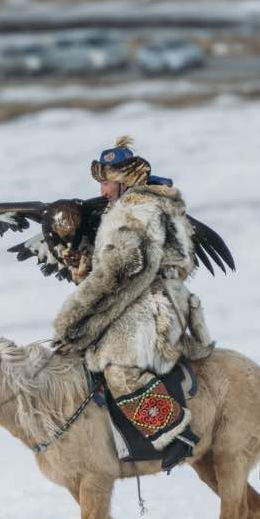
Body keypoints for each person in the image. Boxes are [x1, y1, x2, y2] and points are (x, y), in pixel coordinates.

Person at [53, 136, 214, 470]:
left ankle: (173, 434)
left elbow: (115, 276)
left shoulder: (136, 214)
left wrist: (73, 315)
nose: (102, 192)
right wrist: (82, 270)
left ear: (125, 181)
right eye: (101, 184)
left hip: (156, 305)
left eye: (108, 183)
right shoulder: (133, 209)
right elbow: (115, 273)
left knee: (118, 370)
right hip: (141, 296)